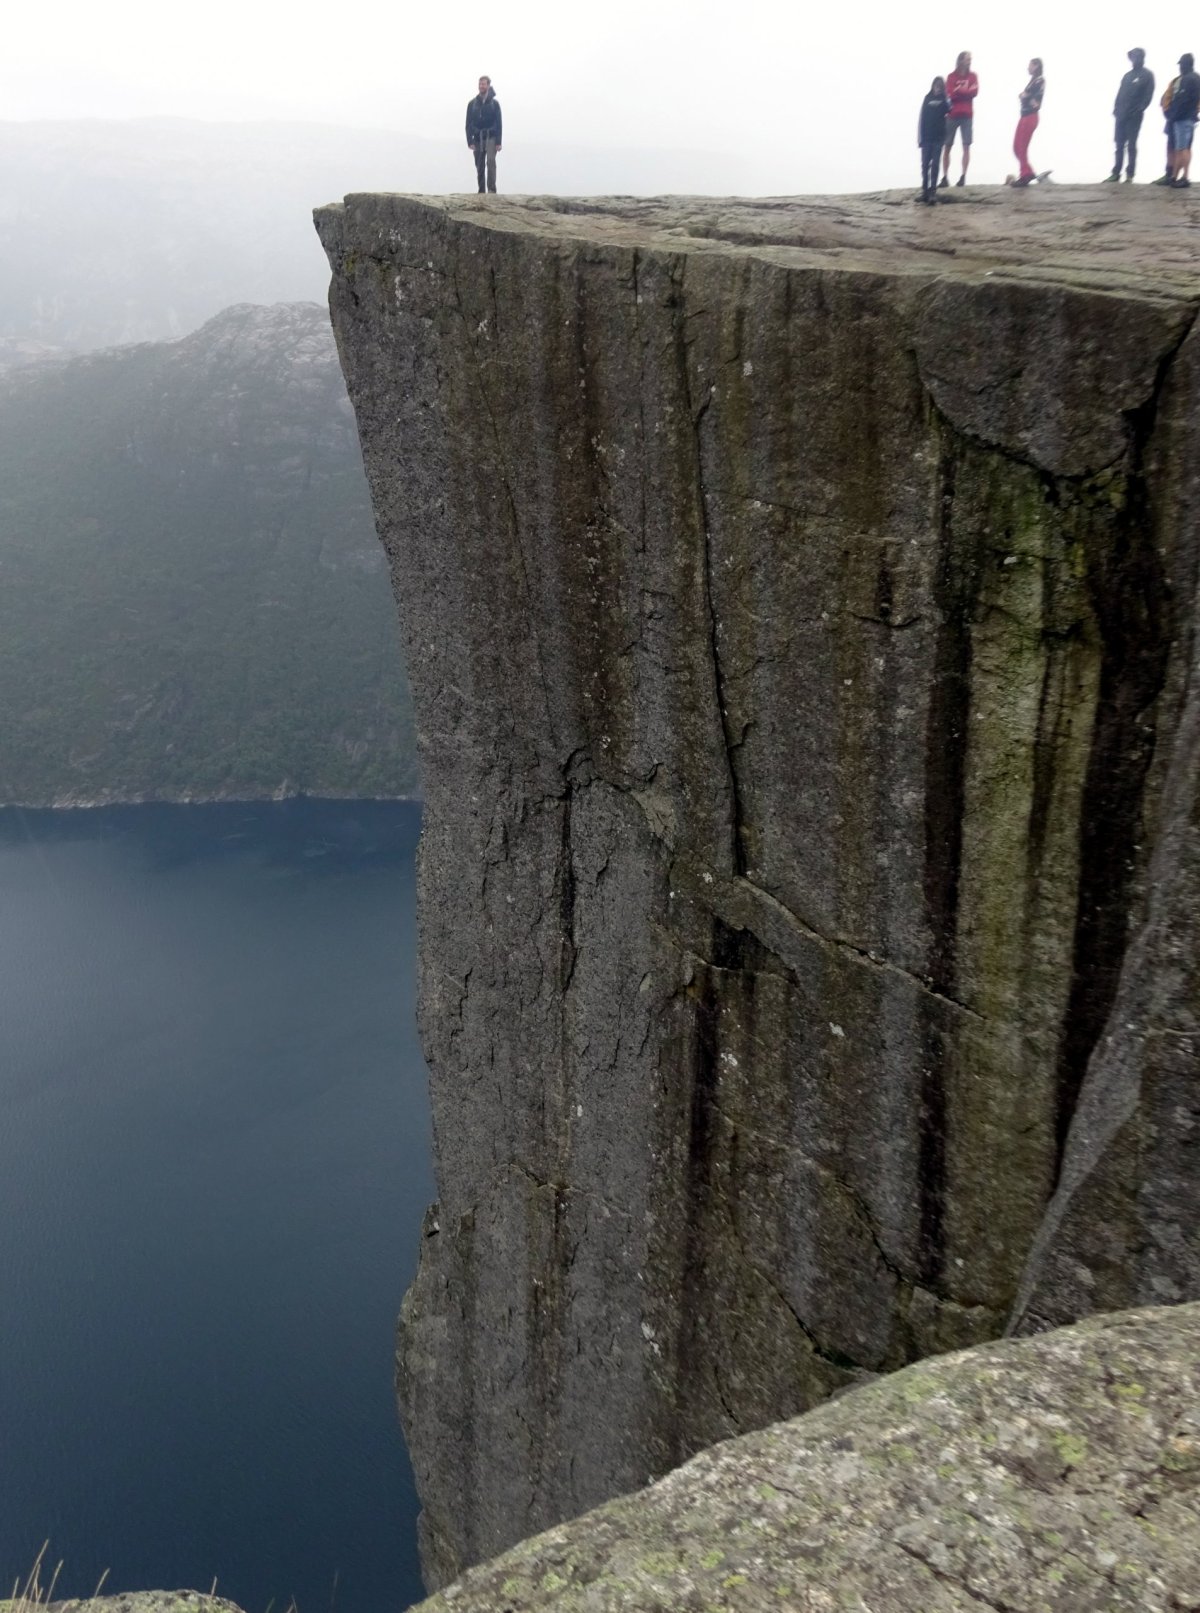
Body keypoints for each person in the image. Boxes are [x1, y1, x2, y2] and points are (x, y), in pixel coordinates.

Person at [1107, 48, 1155, 181]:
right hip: (1121, 114)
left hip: (1134, 116)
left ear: (1142, 57)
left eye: (1136, 56)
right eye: (1132, 56)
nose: (1134, 59)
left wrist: (1140, 109)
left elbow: (1148, 95)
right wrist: (1116, 108)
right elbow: (1120, 93)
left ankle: (1130, 174)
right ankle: (1116, 173)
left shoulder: (1147, 75)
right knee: (1119, 144)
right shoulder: (1127, 76)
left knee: (1132, 144)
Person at [941, 52, 978, 188]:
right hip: (952, 115)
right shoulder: (951, 76)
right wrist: (964, 91)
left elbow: (975, 92)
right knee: (947, 146)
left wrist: (960, 91)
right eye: (968, 59)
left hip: (967, 115)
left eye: (970, 59)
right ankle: (945, 177)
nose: (970, 61)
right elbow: (950, 94)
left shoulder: (973, 76)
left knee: (966, 145)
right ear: (961, 60)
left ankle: (963, 176)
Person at [1166, 53, 1200, 186]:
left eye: (1181, 64)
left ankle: (1184, 177)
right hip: (1191, 117)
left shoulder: (1187, 79)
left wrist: (1174, 116)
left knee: (1182, 148)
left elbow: (1182, 99)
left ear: (1186, 64)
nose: (1180, 67)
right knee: (1184, 147)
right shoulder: (1196, 77)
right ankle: (1175, 176)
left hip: (1183, 118)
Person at [465, 75, 502, 195]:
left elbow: (499, 122)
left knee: (491, 162)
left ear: (488, 85)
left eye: (484, 84)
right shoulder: (472, 104)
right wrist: (469, 141)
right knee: (479, 165)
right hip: (477, 138)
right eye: (480, 84)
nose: (481, 86)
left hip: (491, 137)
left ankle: (491, 190)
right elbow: (468, 123)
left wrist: (498, 142)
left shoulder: (495, 104)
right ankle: (481, 191)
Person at [1011, 58, 1045, 185]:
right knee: (1016, 146)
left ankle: (1024, 175)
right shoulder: (1033, 81)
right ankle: (1028, 171)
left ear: (1036, 66)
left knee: (1022, 146)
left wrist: (1024, 95)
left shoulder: (1040, 80)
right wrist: (1024, 95)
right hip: (1024, 115)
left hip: (1031, 116)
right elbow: (1026, 95)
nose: (1028, 68)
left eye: (1030, 65)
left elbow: (1029, 97)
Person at [918, 78, 950, 203]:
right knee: (925, 165)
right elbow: (922, 119)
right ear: (932, 86)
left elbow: (951, 109)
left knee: (935, 165)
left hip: (938, 139)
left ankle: (933, 192)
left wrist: (946, 96)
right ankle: (925, 191)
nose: (937, 89)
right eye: (936, 86)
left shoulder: (944, 100)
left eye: (940, 87)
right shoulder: (927, 98)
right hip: (926, 138)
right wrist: (920, 139)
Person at [1152, 69, 1181, 183]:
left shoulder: (1190, 81)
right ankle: (1169, 174)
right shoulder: (1175, 82)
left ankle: (1173, 175)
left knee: (1179, 148)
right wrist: (1168, 112)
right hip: (1172, 119)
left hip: (1179, 119)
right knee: (1171, 147)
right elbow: (1163, 100)